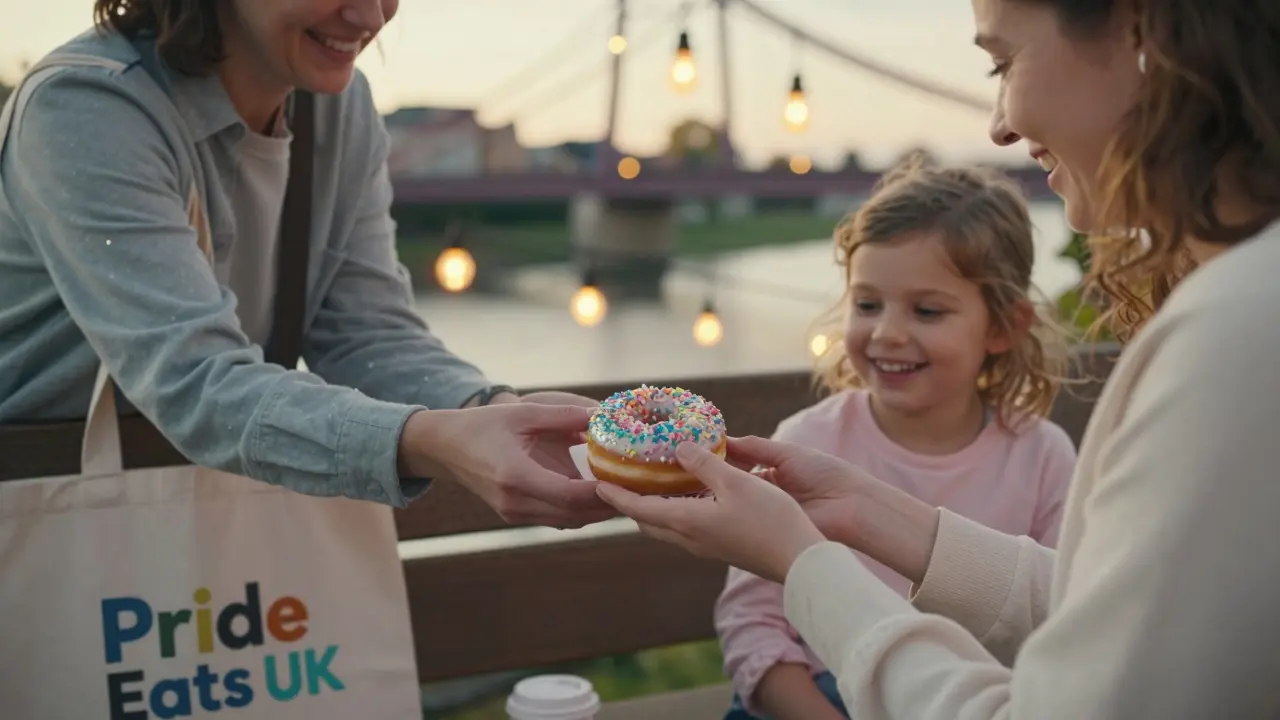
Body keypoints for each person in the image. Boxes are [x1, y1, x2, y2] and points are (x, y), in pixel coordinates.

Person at [597, 0, 1280, 717]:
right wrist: (870, 514)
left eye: (1003, 61)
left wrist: (803, 563)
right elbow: (1127, 623)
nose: (998, 125)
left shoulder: (1239, 338)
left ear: (1148, 34)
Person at [0, 0, 615, 530]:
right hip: (45, 511)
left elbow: (366, 334)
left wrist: (493, 410)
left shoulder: (337, 107)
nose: (370, 16)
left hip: (196, 530)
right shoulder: (86, 107)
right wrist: (430, 443)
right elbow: (197, 381)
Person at [716, 160, 1077, 720]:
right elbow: (753, 626)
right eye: (867, 304)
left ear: (1004, 326)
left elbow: (1061, 630)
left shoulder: (1044, 456)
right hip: (817, 696)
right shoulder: (808, 440)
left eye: (927, 310)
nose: (886, 332)